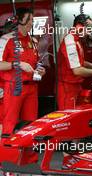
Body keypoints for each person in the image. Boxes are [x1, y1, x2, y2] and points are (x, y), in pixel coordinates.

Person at [0, 7, 46, 139]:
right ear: (20, 21)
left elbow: (36, 63)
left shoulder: (33, 41)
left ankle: (28, 158)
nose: (32, 23)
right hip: (13, 87)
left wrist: (40, 70)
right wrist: (18, 64)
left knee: (30, 124)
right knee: (9, 122)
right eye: (30, 20)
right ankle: (5, 154)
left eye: (32, 20)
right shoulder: (6, 39)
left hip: (32, 87)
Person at [57, 14, 92, 110]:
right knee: (68, 118)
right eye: (88, 28)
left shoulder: (77, 40)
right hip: (67, 88)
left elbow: (78, 61)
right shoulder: (70, 41)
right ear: (78, 26)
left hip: (76, 86)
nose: (90, 32)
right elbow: (76, 70)